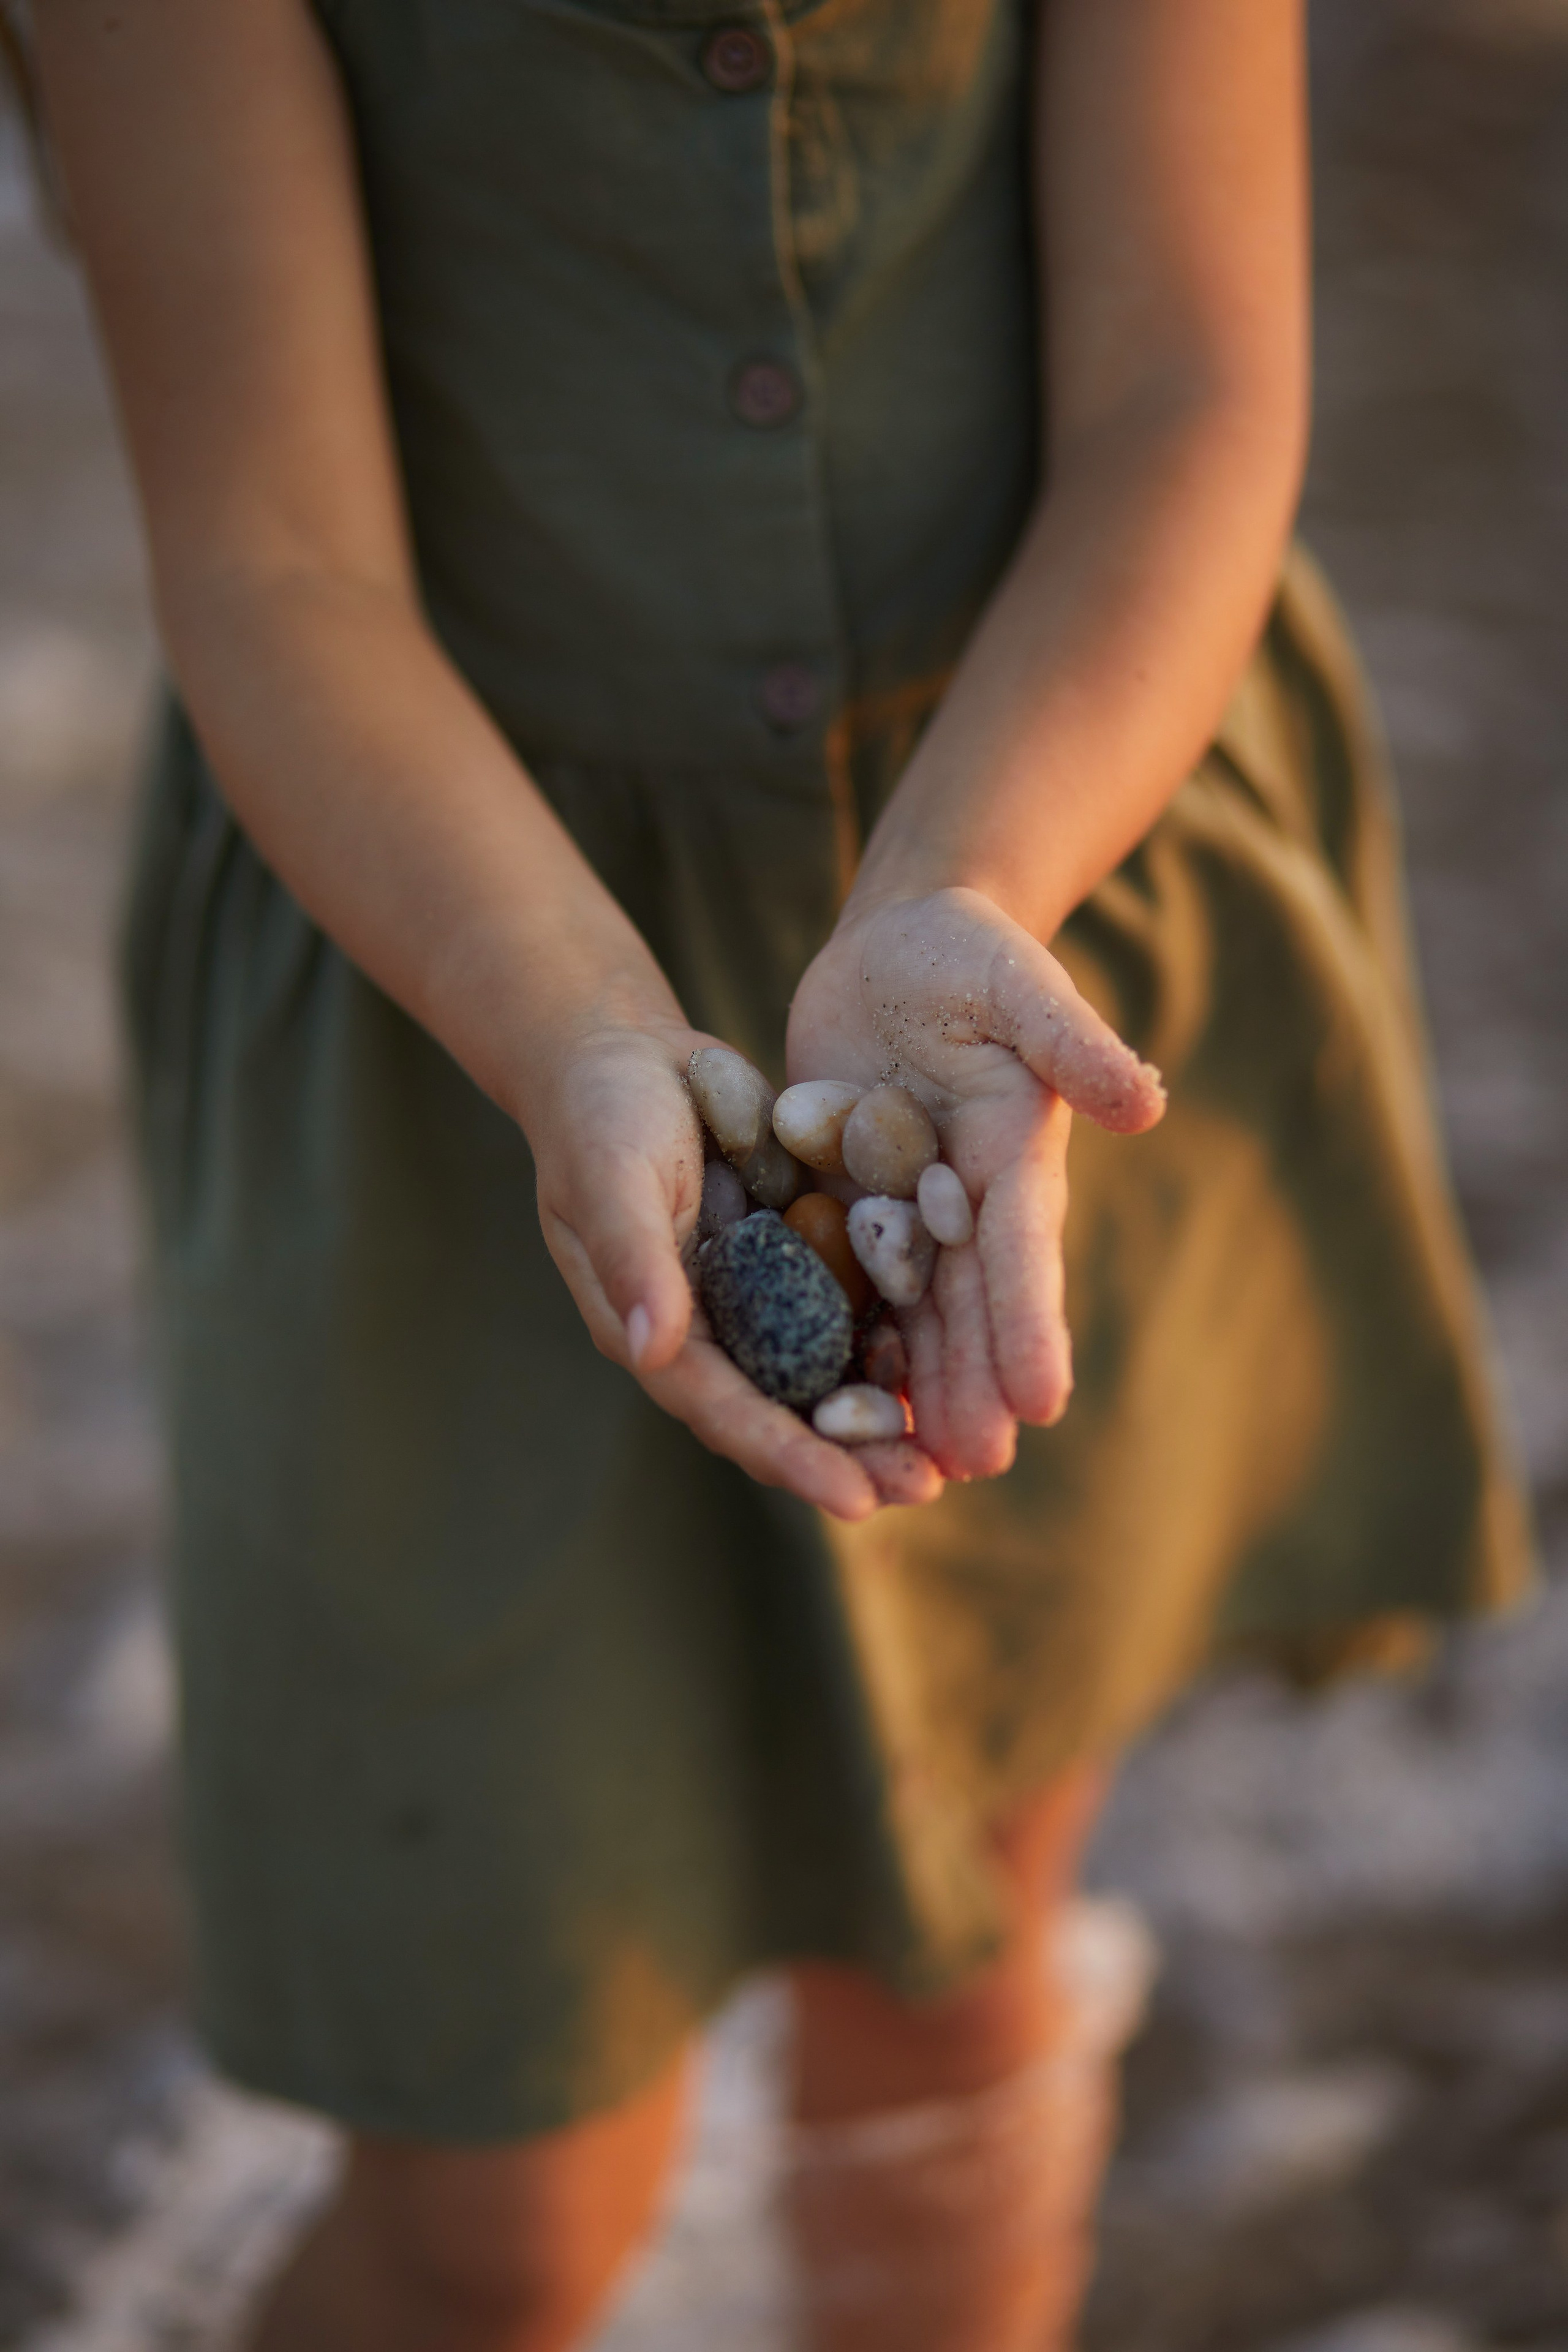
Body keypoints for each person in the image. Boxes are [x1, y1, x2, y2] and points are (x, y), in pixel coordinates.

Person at [27, 1, 1531, 2345]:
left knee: (951, 1977)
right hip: (458, 956)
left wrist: (977, 886)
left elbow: (1191, 394)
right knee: (497, 2221)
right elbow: (276, 559)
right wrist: (584, 1037)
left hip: (1035, 882)